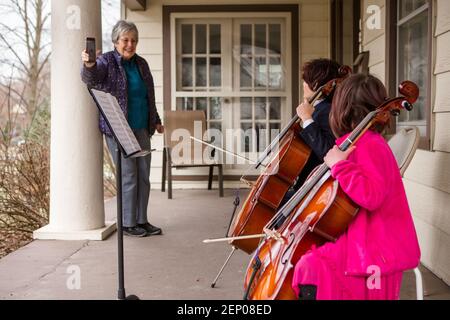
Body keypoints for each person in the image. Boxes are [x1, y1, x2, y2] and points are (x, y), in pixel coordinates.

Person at [291, 74, 421, 300]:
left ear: (342, 108)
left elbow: (371, 196)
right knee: (305, 262)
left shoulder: (370, 145)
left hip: (375, 244)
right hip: (359, 234)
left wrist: (339, 166)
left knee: (308, 265)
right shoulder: (354, 141)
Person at [81, 20, 163, 237]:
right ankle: (127, 223)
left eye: (134, 40)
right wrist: (89, 64)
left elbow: (148, 95)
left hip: (141, 128)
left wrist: (156, 119)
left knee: (144, 175)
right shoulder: (106, 61)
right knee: (128, 175)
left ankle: (141, 220)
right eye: (125, 40)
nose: (130, 44)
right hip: (118, 129)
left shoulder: (141, 64)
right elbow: (91, 78)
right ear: (116, 41)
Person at [281, 59, 341, 206]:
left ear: (315, 85)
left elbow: (327, 152)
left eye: (305, 81)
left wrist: (307, 119)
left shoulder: (327, 111)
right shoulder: (321, 109)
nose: (303, 85)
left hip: (315, 188)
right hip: (307, 183)